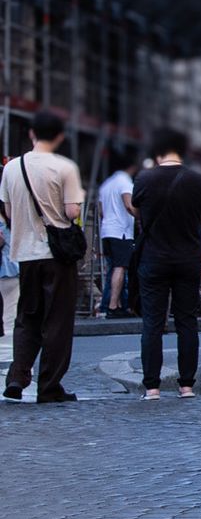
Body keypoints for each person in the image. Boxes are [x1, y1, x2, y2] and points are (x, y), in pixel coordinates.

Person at [1, 111, 83, 402]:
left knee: (27, 317)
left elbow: (8, 213)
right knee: (58, 320)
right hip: (57, 254)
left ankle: (17, 376)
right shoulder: (64, 167)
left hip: (25, 253)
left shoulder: (12, 167)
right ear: (59, 136)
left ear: (31, 133)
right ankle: (49, 386)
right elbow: (72, 212)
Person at [129, 128, 201, 400]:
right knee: (187, 320)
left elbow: (137, 210)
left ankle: (152, 386)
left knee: (152, 322)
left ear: (157, 150)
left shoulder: (144, 178)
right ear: (183, 150)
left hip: (154, 257)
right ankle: (186, 385)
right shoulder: (197, 179)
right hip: (188, 257)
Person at [98, 152, 136, 317]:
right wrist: (141, 215)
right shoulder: (125, 182)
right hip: (121, 231)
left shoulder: (106, 184)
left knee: (112, 268)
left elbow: (100, 210)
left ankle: (113, 304)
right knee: (120, 268)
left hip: (106, 230)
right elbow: (129, 205)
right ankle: (113, 306)